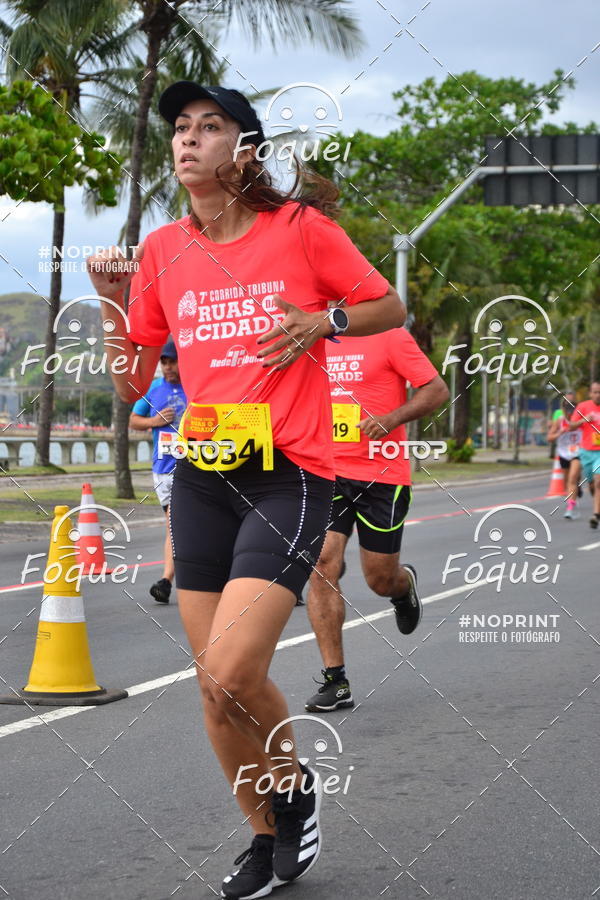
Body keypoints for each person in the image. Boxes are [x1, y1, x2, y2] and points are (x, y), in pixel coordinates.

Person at [86, 82, 405, 900]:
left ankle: (291, 793)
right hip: (203, 476)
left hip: (290, 474)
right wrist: (110, 300)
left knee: (231, 669)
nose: (188, 139)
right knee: (215, 685)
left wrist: (322, 324)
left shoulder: (299, 229)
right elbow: (131, 386)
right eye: (180, 129)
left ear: (245, 149)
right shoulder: (162, 249)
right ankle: (272, 829)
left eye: (211, 126)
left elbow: (384, 302)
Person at [305, 328, 448, 712]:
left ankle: (403, 587)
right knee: (322, 564)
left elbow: (436, 390)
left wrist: (391, 418)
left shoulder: (391, 336)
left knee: (379, 579)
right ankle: (336, 681)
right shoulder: (312, 336)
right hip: (327, 473)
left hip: (383, 478)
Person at [129, 339, 187, 603]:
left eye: (172, 360)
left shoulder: (194, 387)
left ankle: (166, 580)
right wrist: (154, 421)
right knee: (175, 525)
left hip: (193, 466)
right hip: (162, 469)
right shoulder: (153, 389)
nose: (167, 367)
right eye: (163, 361)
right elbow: (134, 420)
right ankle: (169, 579)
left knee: (178, 523)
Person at [566, 382, 600, 528]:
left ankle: (595, 515)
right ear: (590, 393)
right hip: (586, 452)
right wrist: (584, 419)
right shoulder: (583, 407)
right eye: (595, 392)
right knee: (592, 485)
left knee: (599, 483)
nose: (598, 395)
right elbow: (571, 426)